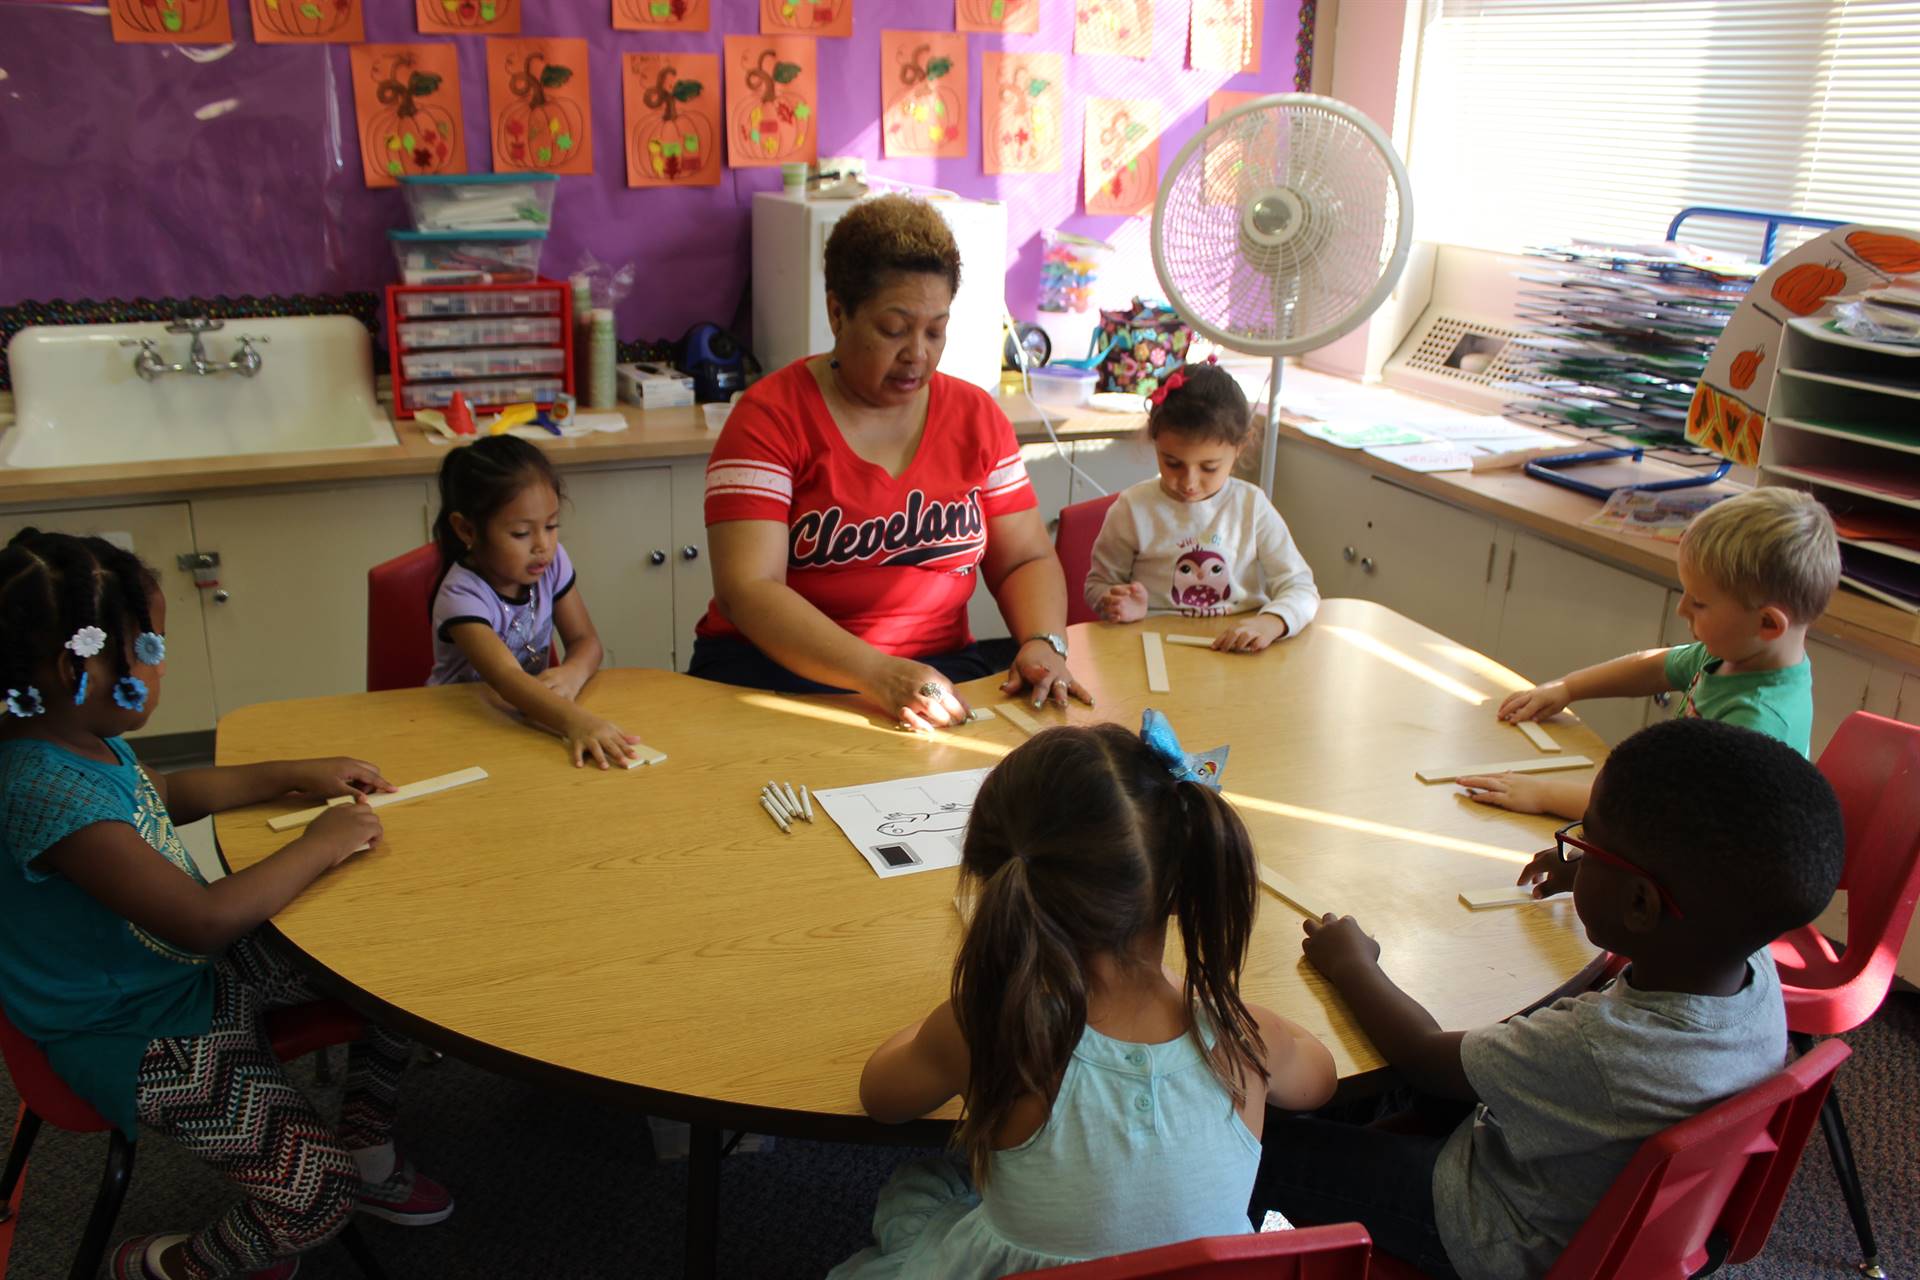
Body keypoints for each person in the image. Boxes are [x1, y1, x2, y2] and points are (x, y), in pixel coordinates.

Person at [0, 530, 452, 1280]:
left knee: (385, 971)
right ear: (72, 667)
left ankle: (368, 1148)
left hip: (178, 977)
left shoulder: (74, 732)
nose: (161, 664)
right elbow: (199, 919)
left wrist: (291, 774)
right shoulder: (41, 788)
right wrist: (321, 842)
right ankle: (166, 1265)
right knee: (316, 1200)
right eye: (149, 648)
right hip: (134, 1030)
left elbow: (165, 793)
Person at [1252, 716, 1844, 1277]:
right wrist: (1599, 878)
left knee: (1256, 1141)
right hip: (1568, 1184)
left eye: (1588, 844)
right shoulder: (1750, 961)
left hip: (1488, 1229)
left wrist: (1353, 963)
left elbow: (1424, 1056)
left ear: (1640, 904)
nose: (1576, 850)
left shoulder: (1600, 1049)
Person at [830, 715, 1337, 1277]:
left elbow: (881, 1094)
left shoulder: (986, 1027)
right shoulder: (1252, 1037)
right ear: (1179, 883)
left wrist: (949, 1019)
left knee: (923, 1186)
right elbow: (1321, 1079)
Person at [695, 193, 1088, 730]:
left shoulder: (977, 417)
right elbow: (749, 590)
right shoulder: (768, 418)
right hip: (774, 676)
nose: (917, 354)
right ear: (838, 312)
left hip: (932, 677)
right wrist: (877, 674)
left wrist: (1043, 641)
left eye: (935, 330)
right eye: (894, 329)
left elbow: (1024, 559)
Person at [1461, 487, 1839, 821]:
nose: (1682, 610)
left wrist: (1543, 794)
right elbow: (1655, 667)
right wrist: (1567, 688)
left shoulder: (1756, 723)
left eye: (1700, 603)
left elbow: (1662, 813)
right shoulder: (1734, 655)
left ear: (1768, 624)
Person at [429, 435, 640, 768]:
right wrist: (577, 721)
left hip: (526, 720)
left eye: (551, 525)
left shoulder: (551, 564)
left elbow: (586, 641)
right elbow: (507, 679)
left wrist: (573, 673)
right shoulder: (461, 596)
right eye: (521, 534)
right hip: (461, 728)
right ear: (467, 530)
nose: (543, 545)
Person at [1085, 362, 1319, 652]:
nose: (1189, 482)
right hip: (1152, 647)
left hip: (1235, 652)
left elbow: (1301, 587)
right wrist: (1116, 602)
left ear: (1240, 448)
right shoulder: (1133, 509)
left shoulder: (1251, 506)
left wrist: (1271, 622)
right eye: (1172, 463)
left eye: (1209, 467)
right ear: (1154, 440)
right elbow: (1097, 585)